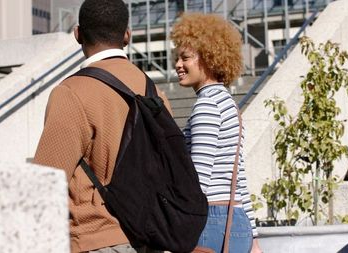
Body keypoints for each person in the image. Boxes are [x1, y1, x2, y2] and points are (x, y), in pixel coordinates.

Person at [33, 0, 171, 252]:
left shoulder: (71, 93)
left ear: (78, 34)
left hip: (96, 239)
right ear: (127, 35)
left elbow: (45, 182)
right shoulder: (154, 93)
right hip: (151, 238)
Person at [171, 13, 263, 253]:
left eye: (186, 57)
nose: (178, 65)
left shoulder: (207, 105)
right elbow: (239, 178)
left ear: (209, 58)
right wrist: (253, 238)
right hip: (237, 218)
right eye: (177, 58)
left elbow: (198, 179)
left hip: (211, 220)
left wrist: (179, 227)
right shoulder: (229, 103)